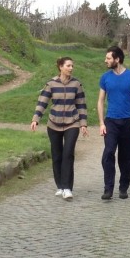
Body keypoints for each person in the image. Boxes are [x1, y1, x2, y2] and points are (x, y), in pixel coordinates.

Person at [31, 56, 88, 201]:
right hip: (53, 124)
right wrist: (36, 119)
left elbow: (81, 105)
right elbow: (42, 102)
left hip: (72, 123)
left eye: (72, 66)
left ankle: (67, 188)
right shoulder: (51, 84)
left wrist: (83, 124)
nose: (71, 68)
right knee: (57, 155)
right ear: (60, 67)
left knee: (68, 154)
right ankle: (60, 186)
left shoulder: (76, 84)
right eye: (68, 66)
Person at [97, 45, 130, 200]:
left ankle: (123, 187)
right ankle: (108, 188)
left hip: (129, 121)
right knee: (108, 153)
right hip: (111, 121)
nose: (106, 61)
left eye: (108, 58)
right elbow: (100, 101)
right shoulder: (105, 77)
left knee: (127, 157)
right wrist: (101, 123)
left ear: (117, 59)